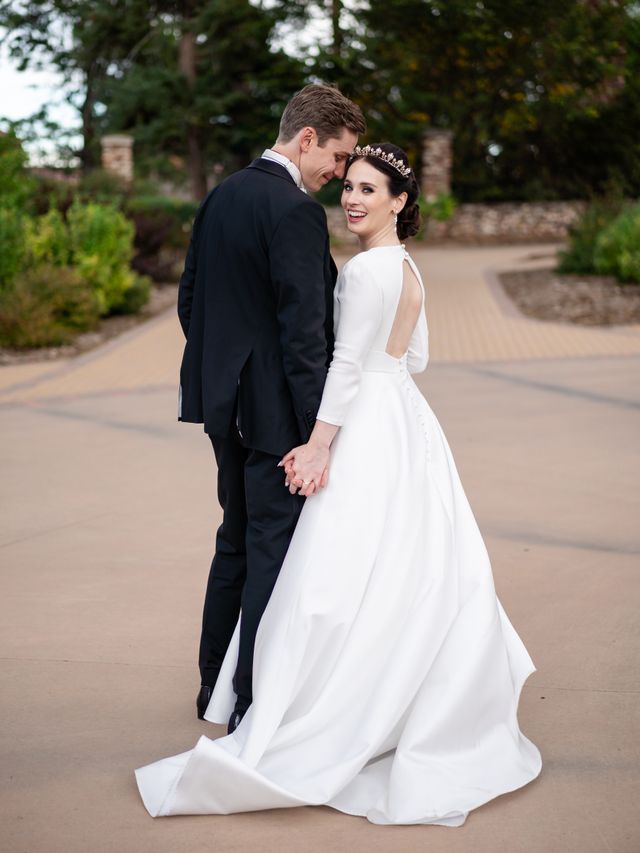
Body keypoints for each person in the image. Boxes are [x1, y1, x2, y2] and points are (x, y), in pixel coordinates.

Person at [137, 143, 541, 826]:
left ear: (399, 201)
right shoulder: (408, 269)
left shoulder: (362, 273)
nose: (351, 199)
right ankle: (402, 695)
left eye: (368, 189)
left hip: (360, 424)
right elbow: (415, 356)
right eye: (347, 187)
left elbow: (346, 364)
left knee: (334, 573)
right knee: (406, 566)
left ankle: (304, 701)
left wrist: (318, 445)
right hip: (407, 423)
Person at [176, 84, 365, 733]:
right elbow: (304, 336)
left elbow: (189, 299)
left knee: (235, 539)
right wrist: (319, 435)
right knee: (271, 552)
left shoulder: (222, 194)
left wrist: (220, 373)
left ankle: (211, 686)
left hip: (221, 406)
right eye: (338, 157)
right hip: (277, 418)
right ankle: (252, 700)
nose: (339, 174)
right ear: (307, 137)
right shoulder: (295, 211)